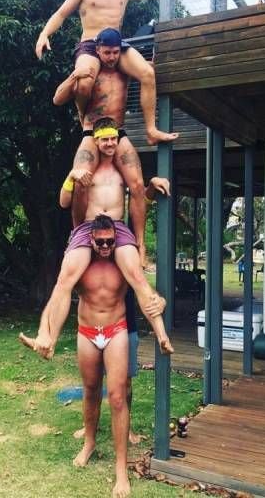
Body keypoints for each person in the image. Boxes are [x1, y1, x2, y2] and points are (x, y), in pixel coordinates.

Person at [31, 117, 174, 360]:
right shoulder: (86, 170)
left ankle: (162, 336)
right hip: (88, 226)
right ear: (95, 141)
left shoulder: (121, 171)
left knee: (138, 277)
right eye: (105, 139)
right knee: (65, 280)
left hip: (116, 226)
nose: (110, 143)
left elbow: (139, 197)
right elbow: (63, 202)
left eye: (113, 139)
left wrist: (152, 185)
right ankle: (50, 340)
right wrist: (71, 177)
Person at [21, 215, 136, 498]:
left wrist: (160, 329)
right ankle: (89, 443)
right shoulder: (79, 262)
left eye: (111, 241)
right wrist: (47, 334)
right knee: (90, 390)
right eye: (101, 242)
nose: (106, 246)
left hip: (116, 329)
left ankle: (121, 470)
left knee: (118, 396)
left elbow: (143, 288)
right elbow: (59, 292)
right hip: (87, 332)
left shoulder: (123, 260)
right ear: (91, 240)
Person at [35, 0, 179, 146]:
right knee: (84, 83)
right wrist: (44, 34)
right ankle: (84, 120)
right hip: (90, 45)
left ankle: (151, 131)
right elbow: (61, 14)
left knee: (147, 73)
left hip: (116, 45)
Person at [53, 27, 173, 266]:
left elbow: (147, 74)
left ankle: (140, 245)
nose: (111, 57)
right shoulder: (89, 71)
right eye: (107, 53)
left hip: (118, 131)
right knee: (80, 181)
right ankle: (77, 235)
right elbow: (57, 99)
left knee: (137, 185)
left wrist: (152, 63)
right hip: (92, 132)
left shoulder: (125, 69)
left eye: (115, 52)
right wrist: (75, 76)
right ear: (97, 50)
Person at [73, 177, 171, 445]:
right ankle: (88, 428)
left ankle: (125, 429)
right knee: (92, 383)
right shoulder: (87, 244)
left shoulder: (123, 242)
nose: (106, 244)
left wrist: (149, 187)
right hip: (93, 325)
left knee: (124, 382)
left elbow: (140, 204)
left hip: (123, 323)